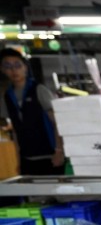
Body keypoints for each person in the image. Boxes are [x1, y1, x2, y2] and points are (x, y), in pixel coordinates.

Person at [0, 48, 65, 176]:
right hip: (27, 158)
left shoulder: (39, 90)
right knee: (34, 195)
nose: (14, 70)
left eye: (17, 65)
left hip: (49, 155)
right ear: (2, 70)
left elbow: (57, 122)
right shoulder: (7, 96)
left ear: (25, 67)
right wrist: (19, 160)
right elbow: (15, 130)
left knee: (54, 194)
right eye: (7, 66)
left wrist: (59, 151)